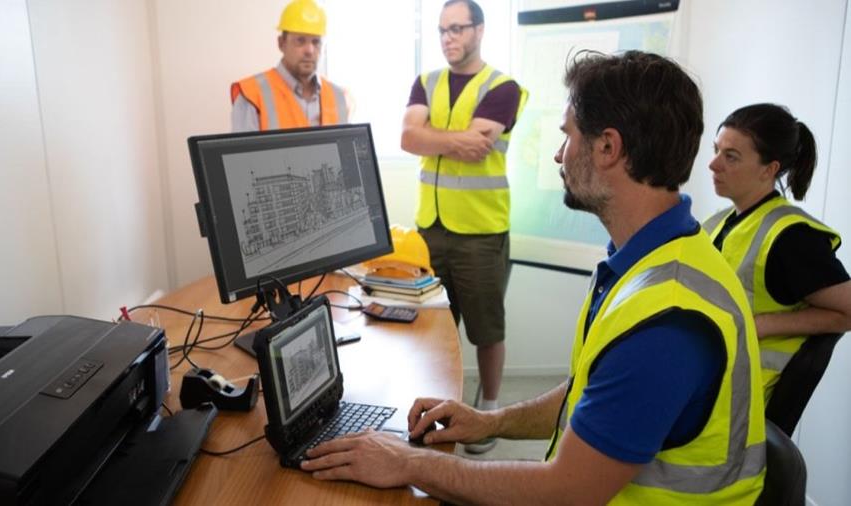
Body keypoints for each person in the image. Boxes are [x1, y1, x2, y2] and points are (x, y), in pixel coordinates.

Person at [301, 50, 767, 505]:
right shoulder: (655, 259)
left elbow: (566, 491)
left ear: (608, 147)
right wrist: (491, 422)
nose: (560, 155)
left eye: (568, 137)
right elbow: (593, 395)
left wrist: (409, 463)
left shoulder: (666, 321)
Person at [400, 0, 527, 453]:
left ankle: (488, 411)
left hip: (480, 231)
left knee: (486, 330)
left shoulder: (503, 88)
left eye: (457, 28)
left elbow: (477, 147)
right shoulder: (426, 81)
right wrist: (451, 140)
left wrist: (430, 137)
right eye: (442, 30)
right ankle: (438, 407)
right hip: (429, 230)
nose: (448, 38)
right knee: (433, 329)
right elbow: (407, 137)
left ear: (480, 30)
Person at [704, 103, 851, 402]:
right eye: (716, 150)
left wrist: (761, 325)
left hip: (739, 403)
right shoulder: (718, 223)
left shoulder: (791, 237)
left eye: (730, 156)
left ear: (769, 169)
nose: (713, 164)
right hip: (708, 383)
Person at [230, 0, 349, 132]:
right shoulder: (252, 94)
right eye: (300, 40)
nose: (309, 50)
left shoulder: (339, 97)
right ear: (281, 43)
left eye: (316, 42)